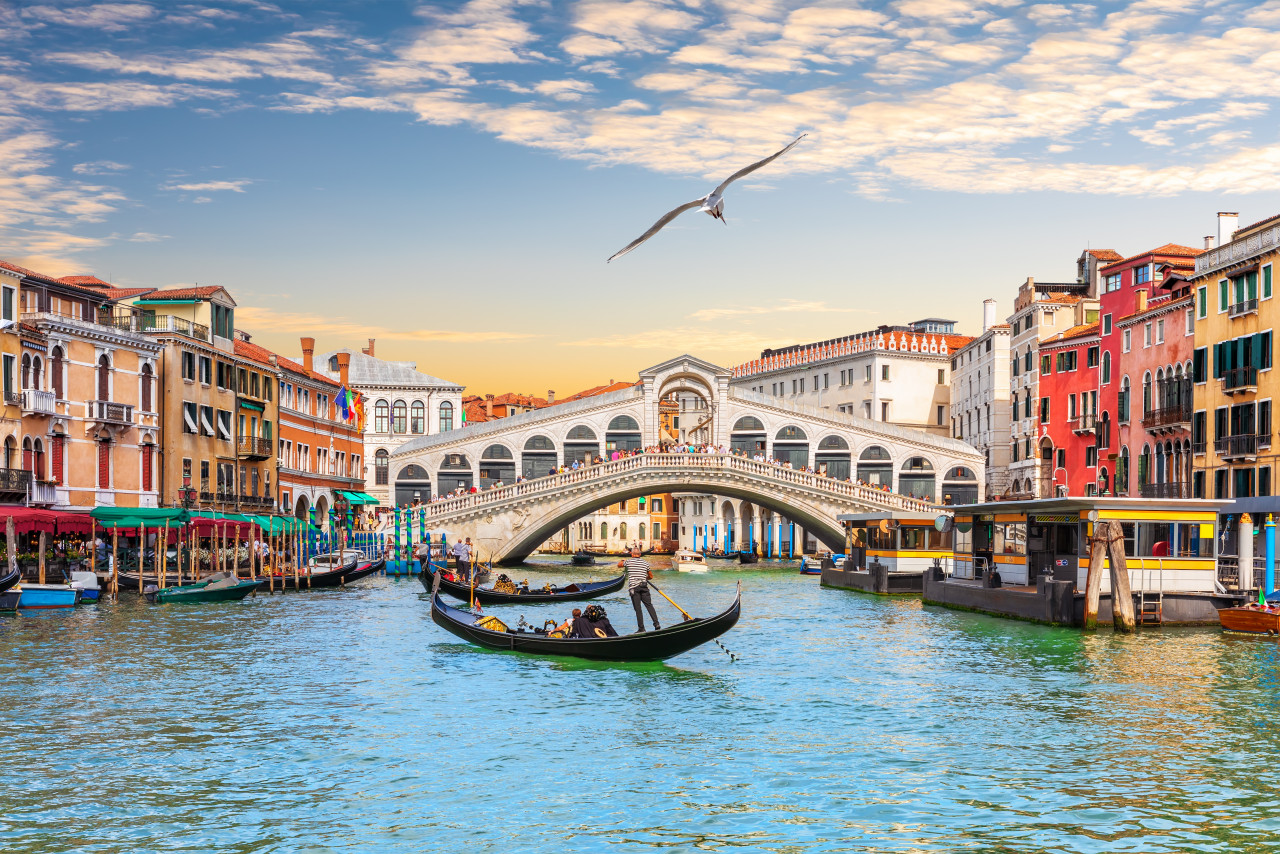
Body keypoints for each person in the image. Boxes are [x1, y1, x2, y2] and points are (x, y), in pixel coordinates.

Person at [618, 546, 660, 632]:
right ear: (640, 554)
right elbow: (651, 576)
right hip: (644, 586)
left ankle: (641, 628)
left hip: (634, 588)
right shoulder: (645, 563)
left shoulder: (629, 561)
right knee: (649, 605)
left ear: (632, 554)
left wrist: (622, 560)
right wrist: (644, 578)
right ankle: (656, 624)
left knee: (638, 608)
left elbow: (619, 565)